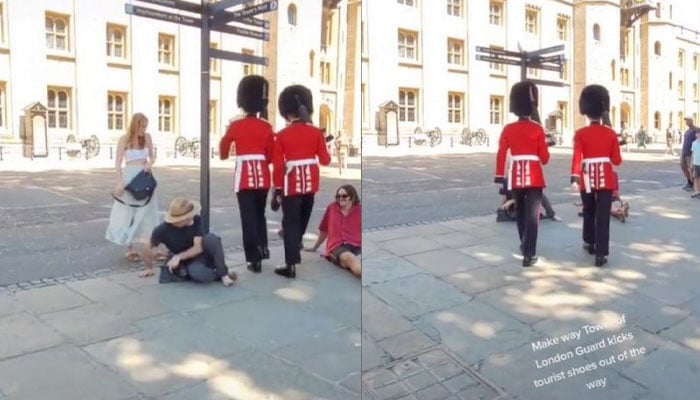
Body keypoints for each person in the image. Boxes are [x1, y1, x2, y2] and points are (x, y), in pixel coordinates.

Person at [271, 85, 332, 278]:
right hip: (310, 185)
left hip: (291, 186)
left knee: (291, 223)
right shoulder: (315, 133)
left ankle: (291, 265)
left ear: (286, 112)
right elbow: (325, 160)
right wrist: (322, 143)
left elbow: (279, 166)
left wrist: (278, 190)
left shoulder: (281, 135)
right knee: (301, 221)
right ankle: (294, 243)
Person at [219, 75, 274, 274]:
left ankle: (254, 258)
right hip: (263, 177)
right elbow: (270, 156)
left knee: (247, 218)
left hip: (244, 178)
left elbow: (223, 151)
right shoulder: (267, 126)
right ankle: (263, 248)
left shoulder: (236, 125)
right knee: (260, 215)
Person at [494, 81, 550, 267]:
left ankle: (523, 244)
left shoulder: (508, 129)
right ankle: (529, 253)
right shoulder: (537, 129)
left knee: (521, 212)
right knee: (533, 216)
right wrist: (545, 146)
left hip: (516, 175)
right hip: (534, 176)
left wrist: (499, 175)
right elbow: (544, 159)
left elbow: (502, 153)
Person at [571, 84, 622, 267]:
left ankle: (589, 241)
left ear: (586, 110)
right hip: (606, 179)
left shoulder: (580, 134)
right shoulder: (610, 133)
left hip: (586, 178)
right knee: (602, 216)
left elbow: (577, 157)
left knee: (588, 210)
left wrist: (574, 178)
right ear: (603, 109)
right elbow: (616, 161)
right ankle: (601, 254)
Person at [141, 198, 237, 286]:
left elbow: (198, 247)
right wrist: (148, 267)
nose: (191, 218)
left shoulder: (196, 220)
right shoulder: (162, 229)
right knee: (199, 274)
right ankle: (215, 274)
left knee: (211, 239)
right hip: (187, 262)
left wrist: (179, 256)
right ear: (179, 220)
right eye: (188, 217)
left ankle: (224, 274)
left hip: (200, 254)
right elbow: (147, 245)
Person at [106, 113, 161, 263]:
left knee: (148, 212)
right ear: (135, 124)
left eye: (145, 126)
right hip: (130, 177)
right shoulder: (124, 139)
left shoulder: (147, 137)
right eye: (142, 126)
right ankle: (129, 247)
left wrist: (150, 163)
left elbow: (152, 156)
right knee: (127, 212)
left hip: (145, 176)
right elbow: (117, 163)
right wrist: (120, 183)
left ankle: (152, 246)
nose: (144, 129)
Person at [305, 184, 361, 277]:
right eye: (338, 196)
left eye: (344, 196)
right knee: (350, 259)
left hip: (357, 245)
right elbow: (324, 230)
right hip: (337, 247)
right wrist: (315, 247)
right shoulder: (332, 208)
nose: (340, 198)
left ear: (352, 197)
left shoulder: (359, 210)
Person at [681, 116, 699, 192]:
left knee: (691, 169)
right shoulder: (687, 131)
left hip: (690, 153)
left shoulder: (696, 129)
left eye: (688, 120)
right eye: (686, 121)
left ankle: (693, 184)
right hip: (684, 152)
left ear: (692, 121)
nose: (686, 122)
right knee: (684, 167)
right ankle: (689, 182)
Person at [691, 129, 700, 198]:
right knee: (696, 177)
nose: (698, 135)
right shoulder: (694, 143)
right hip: (695, 163)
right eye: (697, 133)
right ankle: (696, 191)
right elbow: (693, 153)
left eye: (699, 133)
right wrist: (691, 163)